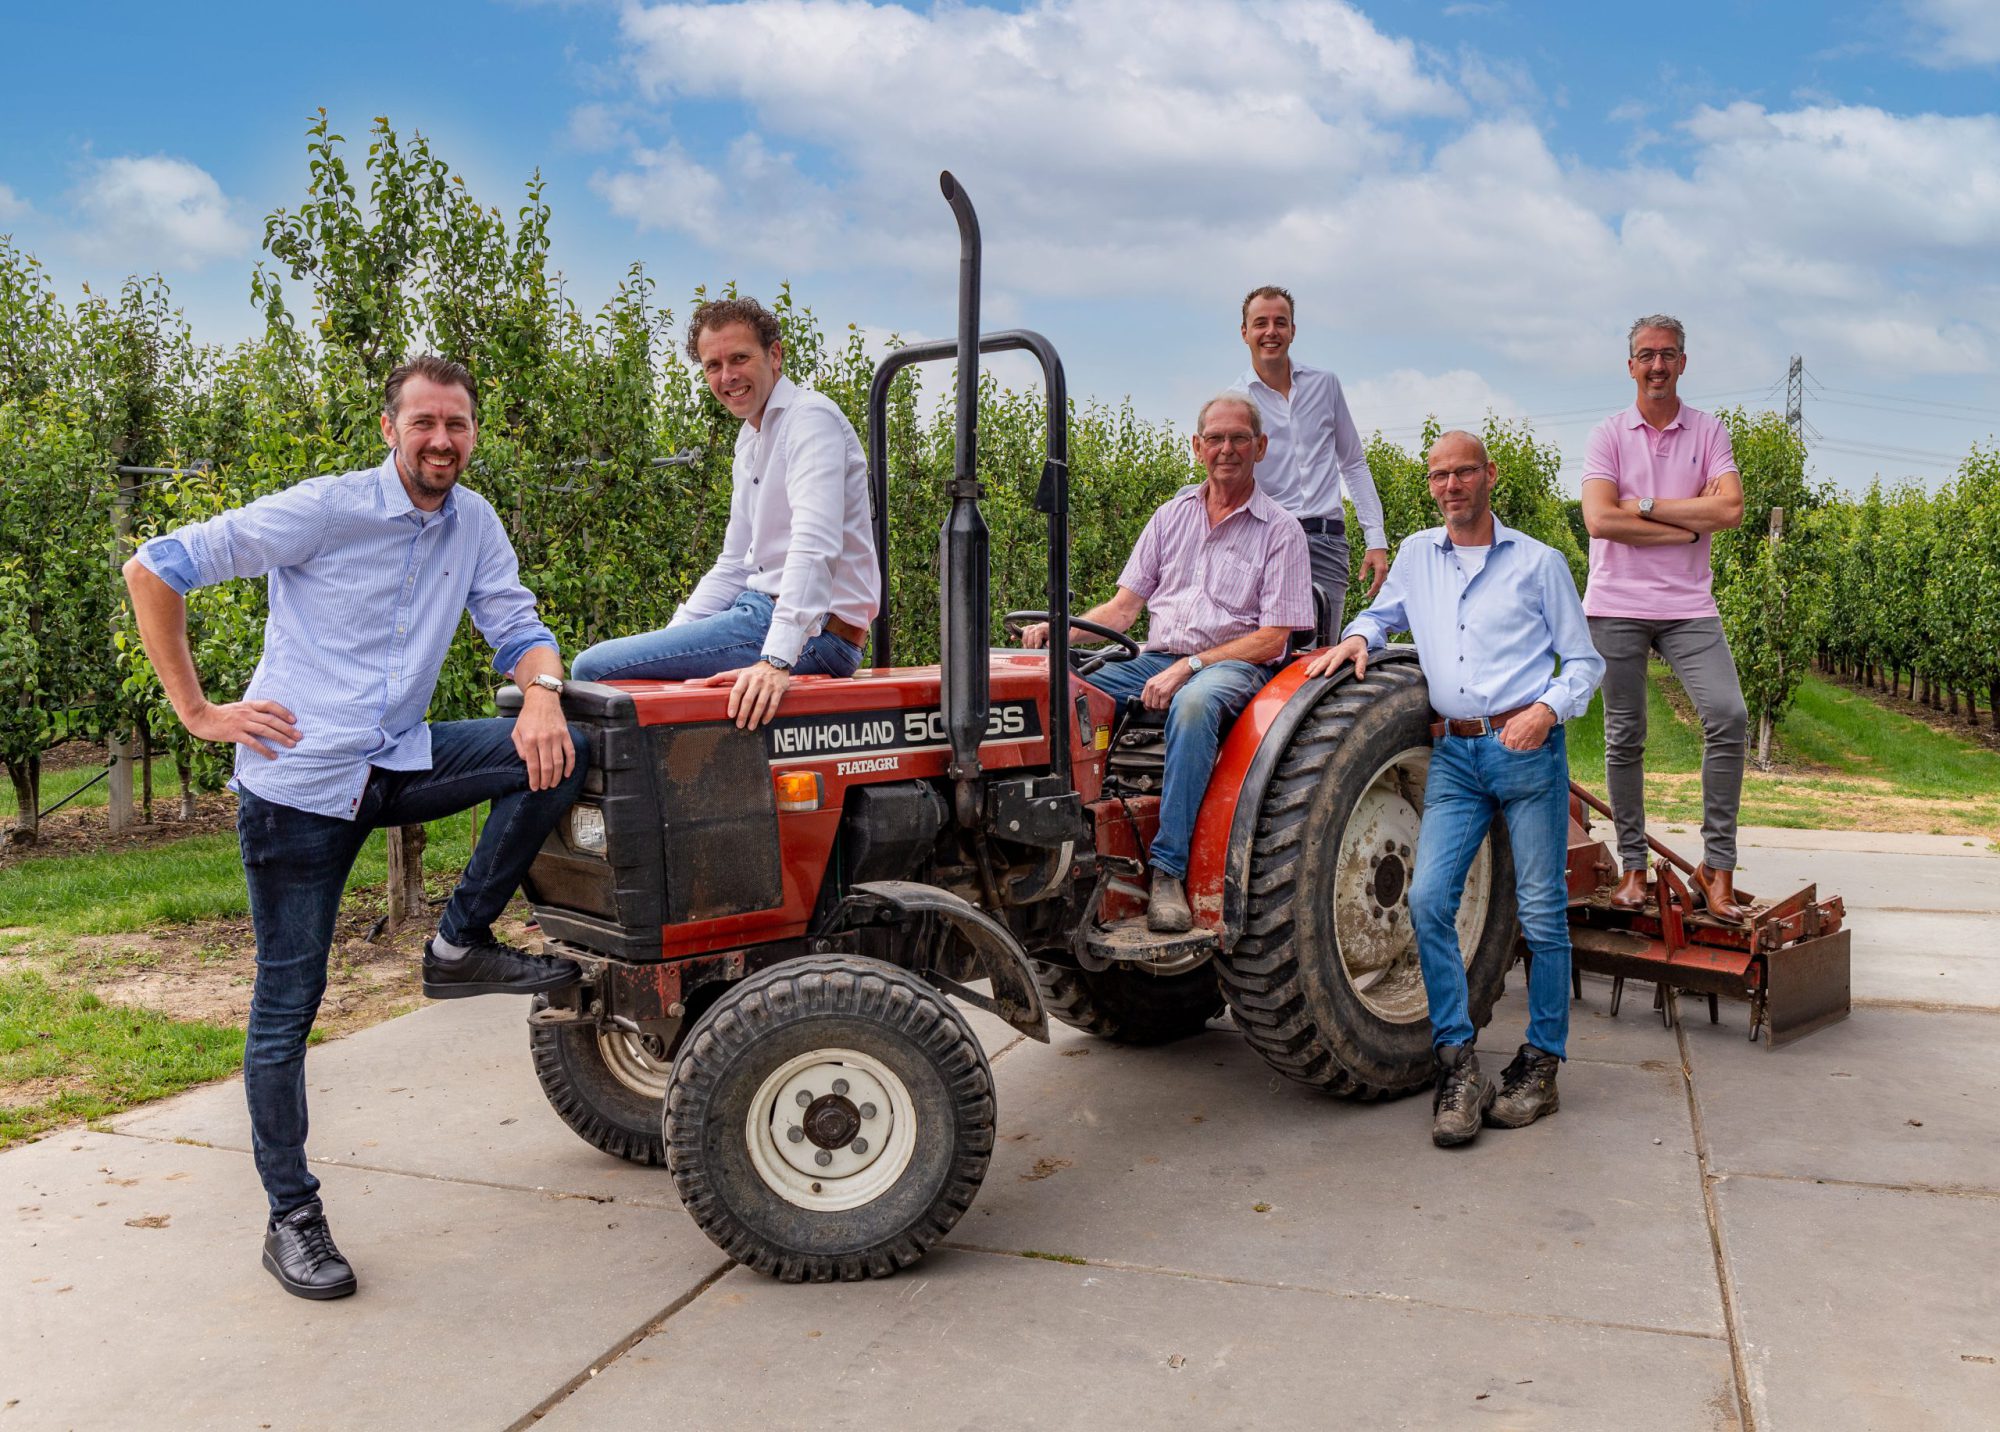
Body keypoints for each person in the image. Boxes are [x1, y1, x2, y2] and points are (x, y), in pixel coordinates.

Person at [124, 356, 590, 1301]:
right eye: (424, 423)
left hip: (396, 759)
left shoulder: (475, 522)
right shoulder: (325, 510)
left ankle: (458, 944)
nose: (441, 442)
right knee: (287, 1009)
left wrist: (541, 692)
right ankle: (291, 1217)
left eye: (457, 424)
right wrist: (199, 711)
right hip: (299, 785)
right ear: (391, 429)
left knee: (557, 751)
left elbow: (517, 625)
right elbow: (155, 567)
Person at [1306, 430, 1603, 1147]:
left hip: (1526, 751)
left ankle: (1542, 1063)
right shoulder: (1415, 555)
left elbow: (1585, 662)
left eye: (1463, 471)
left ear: (1488, 475)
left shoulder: (1538, 563)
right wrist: (1360, 637)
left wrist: (1545, 710)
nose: (1450, 485)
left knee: (1540, 915)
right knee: (1429, 900)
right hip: (1455, 757)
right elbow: (1384, 615)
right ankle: (1457, 1059)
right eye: (1438, 475)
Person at [1024, 394, 1313, 933]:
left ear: (1261, 447)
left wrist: (1193, 666)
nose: (1227, 449)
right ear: (1197, 446)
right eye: (1216, 439)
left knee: (1194, 704)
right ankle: (1070, 843)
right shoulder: (1170, 517)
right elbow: (1124, 608)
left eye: (1239, 439)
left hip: (1233, 665)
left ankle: (1168, 871)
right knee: (1064, 691)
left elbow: (1273, 637)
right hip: (1153, 657)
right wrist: (1058, 630)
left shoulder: (1280, 530)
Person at [569, 297, 879, 732]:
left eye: (739, 358)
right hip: (759, 615)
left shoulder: (810, 420)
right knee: (632, 669)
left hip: (814, 633)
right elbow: (734, 564)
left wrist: (776, 659)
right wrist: (671, 637)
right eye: (712, 365)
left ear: (775, 355)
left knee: (592, 670)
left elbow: (816, 543)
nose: (727, 376)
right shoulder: (750, 440)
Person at [1580, 315, 1750, 922]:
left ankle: (1717, 869)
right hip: (1616, 605)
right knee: (1626, 736)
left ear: (1683, 362)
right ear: (1631, 365)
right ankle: (1631, 868)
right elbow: (1600, 521)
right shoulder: (1608, 435)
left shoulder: (1709, 431)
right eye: (1646, 355)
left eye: (1668, 355)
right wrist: (1684, 525)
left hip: (1687, 608)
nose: (1657, 366)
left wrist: (1648, 508)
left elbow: (1728, 508)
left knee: (1728, 717)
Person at [1232, 284, 1390, 642]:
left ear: (1292, 330)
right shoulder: (1236, 403)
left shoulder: (1325, 385)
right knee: (1267, 653)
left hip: (1326, 543)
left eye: (1280, 322)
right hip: (1266, 543)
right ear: (1245, 333)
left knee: (1319, 661)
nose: (1271, 332)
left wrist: (1375, 539)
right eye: (1260, 323)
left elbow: (1353, 463)